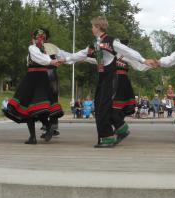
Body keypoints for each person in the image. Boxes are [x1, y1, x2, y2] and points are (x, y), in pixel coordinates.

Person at [64, 16, 151, 148]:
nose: (91, 28)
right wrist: (66, 59)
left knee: (103, 107)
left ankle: (107, 138)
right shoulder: (95, 44)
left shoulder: (112, 42)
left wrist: (143, 60)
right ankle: (118, 130)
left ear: (98, 27)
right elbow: (81, 54)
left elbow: (129, 52)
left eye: (93, 26)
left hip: (111, 78)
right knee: (99, 107)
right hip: (103, 78)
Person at [4, 28, 63, 145]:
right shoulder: (44, 51)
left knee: (26, 106)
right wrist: (53, 61)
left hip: (33, 78)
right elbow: (46, 59)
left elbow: (39, 58)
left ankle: (33, 137)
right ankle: (46, 127)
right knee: (37, 108)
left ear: (34, 39)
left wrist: (52, 62)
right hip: (42, 78)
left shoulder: (33, 48)